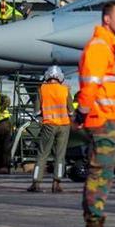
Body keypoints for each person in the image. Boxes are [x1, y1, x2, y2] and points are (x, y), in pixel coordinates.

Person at [77, 1, 115, 227]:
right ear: (107, 20)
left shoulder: (110, 47)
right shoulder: (99, 47)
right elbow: (90, 85)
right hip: (101, 119)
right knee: (100, 175)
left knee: (103, 175)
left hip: (109, 119)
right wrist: (82, 114)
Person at [28, 65, 73, 193]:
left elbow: (37, 111)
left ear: (47, 76)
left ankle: (36, 183)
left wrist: (42, 119)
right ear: (60, 77)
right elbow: (71, 111)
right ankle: (57, 183)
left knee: (42, 154)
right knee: (60, 155)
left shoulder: (41, 89)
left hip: (48, 125)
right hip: (64, 126)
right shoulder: (65, 90)